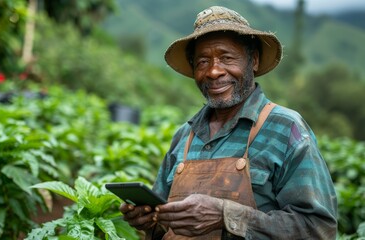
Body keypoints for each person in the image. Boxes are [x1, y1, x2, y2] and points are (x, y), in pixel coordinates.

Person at [119, 5, 337, 239]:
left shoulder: (286, 128)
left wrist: (225, 215)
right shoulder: (184, 136)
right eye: (203, 62)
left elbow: (318, 229)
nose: (214, 71)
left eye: (226, 58)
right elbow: (164, 225)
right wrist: (147, 221)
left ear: (253, 60)